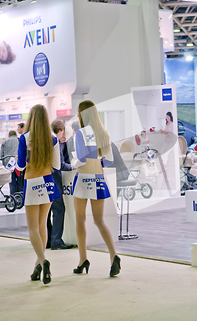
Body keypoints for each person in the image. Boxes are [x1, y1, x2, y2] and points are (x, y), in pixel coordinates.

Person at [71, 100, 120, 277]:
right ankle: (114, 256)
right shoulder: (103, 132)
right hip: (99, 178)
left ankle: (83, 259)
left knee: (80, 220)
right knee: (99, 221)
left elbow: (81, 160)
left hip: (83, 178)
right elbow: (109, 160)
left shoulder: (81, 133)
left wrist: (73, 162)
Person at [15, 104, 61, 285]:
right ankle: (38, 266)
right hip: (48, 182)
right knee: (43, 225)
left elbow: (20, 165)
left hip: (32, 183)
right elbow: (57, 166)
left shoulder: (25, 138)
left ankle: (43, 261)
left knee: (33, 228)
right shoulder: (53, 139)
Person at [47, 120, 74, 250]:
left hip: (42, 179)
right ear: (61, 130)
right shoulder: (54, 141)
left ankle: (47, 240)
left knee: (46, 211)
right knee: (58, 209)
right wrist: (74, 167)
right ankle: (56, 241)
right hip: (53, 180)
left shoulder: (44, 138)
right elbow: (59, 164)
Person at [0, 130, 21, 195]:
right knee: (20, 181)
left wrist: (4, 164)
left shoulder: (4, 142)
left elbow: (1, 155)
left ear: (9, 136)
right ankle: (20, 197)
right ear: (16, 135)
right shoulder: (20, 140)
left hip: (9, 165)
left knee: (12, 182)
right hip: (19, 164)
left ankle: (13, 198)